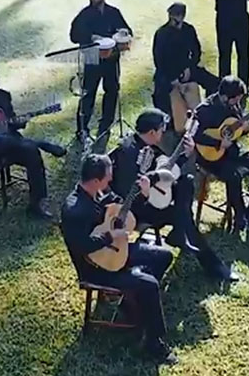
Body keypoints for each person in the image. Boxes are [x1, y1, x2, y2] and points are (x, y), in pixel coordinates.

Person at [60, 154, 178, 364]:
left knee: (164, 256)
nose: (111, 180)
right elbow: (83, 245)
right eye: (108, 177)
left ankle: (136, 302)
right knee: (150, 284)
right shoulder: (74, 209)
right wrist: (111, 236)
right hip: (96, 266)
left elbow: (122, 207)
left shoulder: (99, 191)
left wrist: (141, 194)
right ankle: (153, 343)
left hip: (115, 251)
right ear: (95, 180)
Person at [109, 108, 239, 282]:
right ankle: (213, 265)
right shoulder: (128, 152)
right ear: (152, 132)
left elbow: (166, 170)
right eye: (161, 130)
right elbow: (128, 190)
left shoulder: (147, 145)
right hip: (139, 208)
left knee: (186, 182)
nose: (163, 133)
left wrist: (185, 154)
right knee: (184, 220)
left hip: (155, 197)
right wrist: (148, 189)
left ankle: (181, 232)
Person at [0, 64, 66, 220]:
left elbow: (11, 121)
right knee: (5, 141)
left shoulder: (3, 96)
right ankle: (42, 143)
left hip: (8, 143)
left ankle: (37, 204)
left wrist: (21, 122)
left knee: (31, 152)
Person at [192, 76, 249, 232]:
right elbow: (195, 136)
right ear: (224, 97)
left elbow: (235, 131)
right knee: (233, 176)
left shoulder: (234, 106)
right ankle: (239, 215)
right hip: (210, 157)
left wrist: (245, 129)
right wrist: (218, 143)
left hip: (232, 150)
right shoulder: (204, 110)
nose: (238, 102)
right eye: (236, 99)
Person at [70, 0, 132, 141]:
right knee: (88, 93)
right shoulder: (85, 14)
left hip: (111, 59)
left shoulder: (113, 12)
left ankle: (106, 124)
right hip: (93, 59)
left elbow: (126, 31)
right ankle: (82, 129)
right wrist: (91, 37)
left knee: (112, 90)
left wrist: (122, 34)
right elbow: (74, 35)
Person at [151, 2, 219, 119]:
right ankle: (167, 117)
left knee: (213, 82)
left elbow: (196, 51)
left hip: (186, 67)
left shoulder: (188, 30)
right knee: (160, 91)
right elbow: (159, 60)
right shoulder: (161, 34)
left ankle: (209, 109)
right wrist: (173, 78)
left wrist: (189, 67)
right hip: (167, 71)